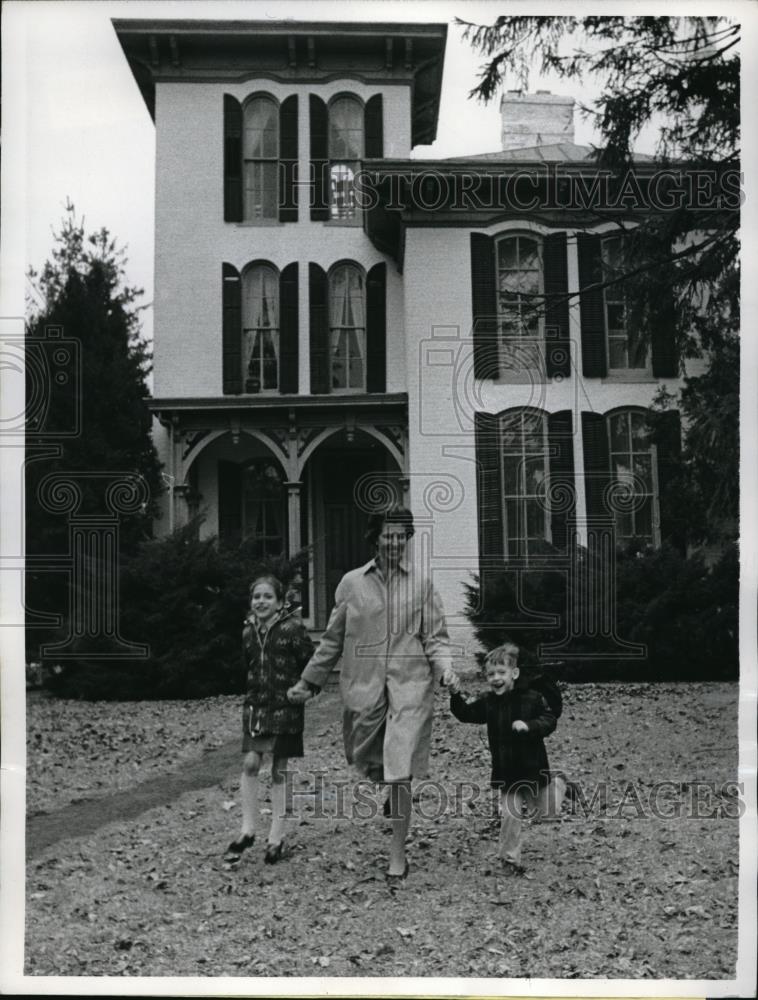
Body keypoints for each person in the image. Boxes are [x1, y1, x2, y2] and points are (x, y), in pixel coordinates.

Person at [287, 505, 458, 882]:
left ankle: (398, 853)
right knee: (366, 760)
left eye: (401, 536)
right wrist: (309, 682)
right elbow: (332, 640)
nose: (395, 542)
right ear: (375, 537)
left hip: (410, 688)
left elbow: (436, 638)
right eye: (388, 535)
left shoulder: (422, 584)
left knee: (401, 771)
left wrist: (445, 668)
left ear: (407, 539)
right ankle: (390, 786)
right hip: (363, 690)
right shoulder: (351, 584)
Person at [448, 642, 562, 874]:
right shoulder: (489, 702)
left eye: (501, 672)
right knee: (511, 816)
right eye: (491, 674)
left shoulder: (532, 697)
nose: (496, 678)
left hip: (534, 769)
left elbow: (549, 720)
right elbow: (466, 714)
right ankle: (509, 861)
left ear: (515, 673)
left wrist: (528, 726)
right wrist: (455, 695)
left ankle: (560, 783)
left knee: (547, 814)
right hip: (507, 772)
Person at [225, 573, 314, 866]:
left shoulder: (292, 629)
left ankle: (276, 836)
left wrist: (306, 689)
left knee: (278, 767)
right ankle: (248, 829)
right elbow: (246, 664)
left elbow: (311, 663)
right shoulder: (248, 631)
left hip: (285, 707)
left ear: (279, 602)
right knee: (250, 762)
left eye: (267, 597)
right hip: (257, 707)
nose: (261, 602)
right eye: (256, 597)